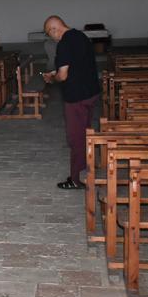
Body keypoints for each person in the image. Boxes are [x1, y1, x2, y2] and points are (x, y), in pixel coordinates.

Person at [41, 16, 101, 190]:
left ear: (54, 29)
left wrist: (52, 77)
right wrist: (56, 71)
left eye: (49, 33)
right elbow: (77, 64)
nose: (51, 37)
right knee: (86, 134)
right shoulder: (80, 36)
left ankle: (76, 179)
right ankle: (86, 171)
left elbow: (64, 75)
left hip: (77, 98)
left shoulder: (64, 43)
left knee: (76, 138)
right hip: (90, 93)